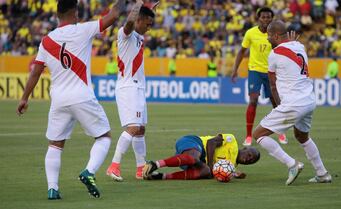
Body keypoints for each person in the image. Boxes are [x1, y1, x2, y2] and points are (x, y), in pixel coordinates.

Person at [16, 0, 125, 199]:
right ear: (75, 12)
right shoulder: (83, 29)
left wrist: (24, 98)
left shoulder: (47, 41)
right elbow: (113, 16)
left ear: (57, 14)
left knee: (55, 144)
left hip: (58, 100)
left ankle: (52, 189)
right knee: (104, 137)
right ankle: (89, 172)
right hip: (82, 96)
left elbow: (36, 73)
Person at [253, 20, 331, 186]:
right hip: (309, 100)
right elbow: (292, 43)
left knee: (258, 135)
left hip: (293, 103)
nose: (267, 38)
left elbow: (272, 85)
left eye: (268, 35)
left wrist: (279, 105)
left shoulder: (274, 54)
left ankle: (292, 164)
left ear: (275, 35)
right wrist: (293, 41)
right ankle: (322, 173)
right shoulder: (299, 46)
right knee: (302, 136)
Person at [106, 0, 158, 181]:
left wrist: (149, 8)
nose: (149, 28)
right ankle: (114, 166)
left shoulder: (139, 36)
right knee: (134, 127)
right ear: (139, 20)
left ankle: (140, 169)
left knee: (141, 129)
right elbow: (129, 22)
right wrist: (139, 4)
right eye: (148, 24)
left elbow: (142, 18)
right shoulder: (125, 34)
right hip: (128, 87)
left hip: (138, 87)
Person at [230, 7, 287, 146]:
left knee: (276, 102)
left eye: (268, 17)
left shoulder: (276, 34)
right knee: (253, 100)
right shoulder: (250, 33)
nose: (266, 19)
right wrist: (234, 69)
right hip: (254, 70)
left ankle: (280, 132)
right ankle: (249, 135)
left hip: (271, 72)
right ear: (259, 18)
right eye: (263, 17)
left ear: (271, 19)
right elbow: (241, 52)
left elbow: (283, 52)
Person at [142, 134, 260, 180]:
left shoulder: (231, 166)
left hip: (191, 161)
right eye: (250, 155)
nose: (249, 159)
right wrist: (211, 166)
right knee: (195, 157)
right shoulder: (231, 140)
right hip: (193, 143)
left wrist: (233, 175)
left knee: (205, 172)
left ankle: (162, 176)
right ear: (245, 148)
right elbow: (211, 143)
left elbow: (220, 172)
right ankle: (155, 164)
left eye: (251, 161)